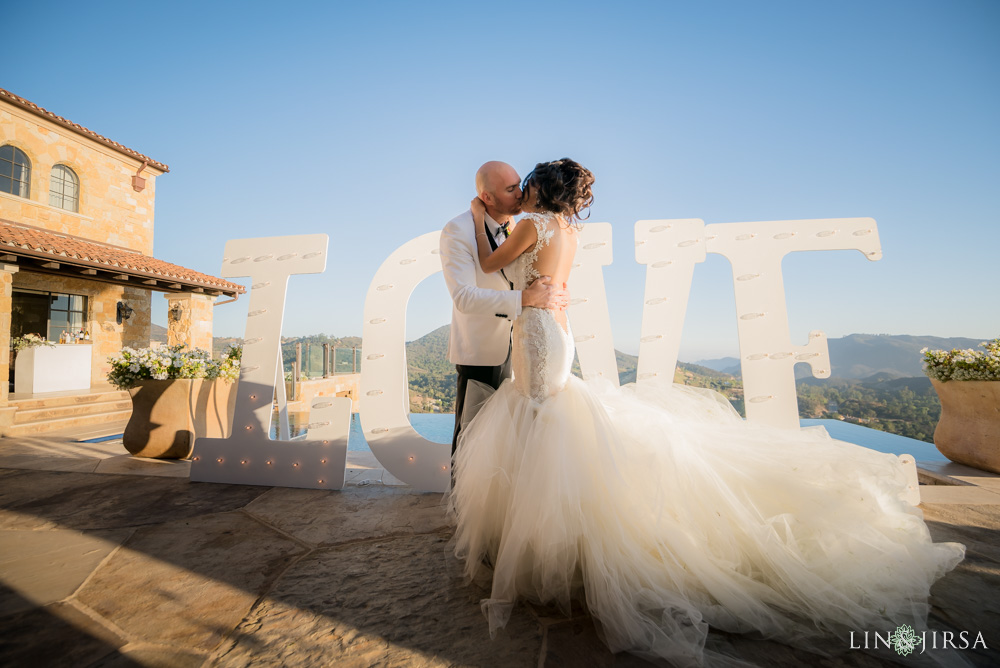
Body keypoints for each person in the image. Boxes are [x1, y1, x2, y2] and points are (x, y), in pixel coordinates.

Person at [448, 158, 965, 665]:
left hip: (537, 332)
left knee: (541, 421)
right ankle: (551, 542)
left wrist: (479, 214)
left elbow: (489, 265)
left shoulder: (531, 224)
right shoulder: (565, 230)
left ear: (539, 189)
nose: (519, 193)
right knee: (547, 421)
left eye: (524, 185)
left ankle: (546, 548)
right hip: (556, 332)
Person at [440, 161, 569, 464]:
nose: (520, 193)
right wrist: (526, 298)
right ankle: (464, 510)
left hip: (528, 347)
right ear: (488, 198)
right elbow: (464, 297)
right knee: (471, 438)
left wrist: (557, 292)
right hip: (482, 350)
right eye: (510, 189)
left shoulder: (521, 226)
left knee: (509, 440)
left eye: (519, 184)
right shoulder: (457, 230)